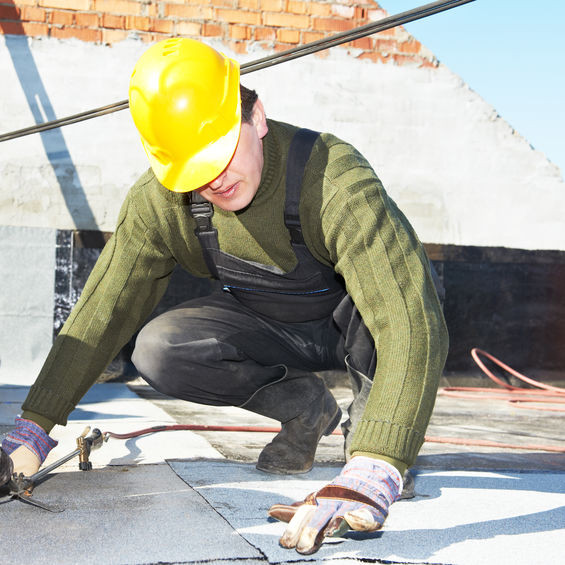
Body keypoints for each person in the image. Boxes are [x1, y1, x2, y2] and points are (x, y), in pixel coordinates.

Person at [2, 38, 448, 554]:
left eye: (219, 154)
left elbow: (409, 321)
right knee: (159, 346)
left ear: (257, 115)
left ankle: (368, 437)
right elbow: (102, 313)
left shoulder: (334, 179)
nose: (213, 181)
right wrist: (33, 431)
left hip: (353, 328)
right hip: (270, 328)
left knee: (385, 324)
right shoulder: (161, 202)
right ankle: (305, 407)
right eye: (194, 172)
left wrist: (377, 461)